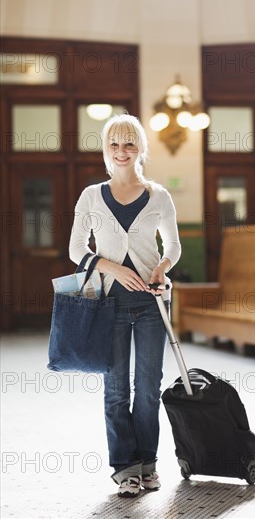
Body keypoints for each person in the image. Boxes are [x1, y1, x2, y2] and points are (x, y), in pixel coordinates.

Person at [69, 113, 181, 497]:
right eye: (114, 144)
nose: (122, 151)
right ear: (106, 149)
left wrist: (163, 267)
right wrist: (111, 267)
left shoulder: (158, 196)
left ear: (141, 149)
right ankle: (124, 467)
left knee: (148, 386)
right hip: (108, 304)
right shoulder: (90, 196)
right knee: (115, 388)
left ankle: (147, 463)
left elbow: (174, 245)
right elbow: (76, 249)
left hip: (152, 302)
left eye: (129, 143)